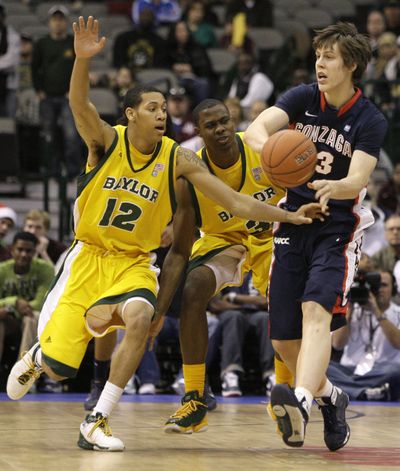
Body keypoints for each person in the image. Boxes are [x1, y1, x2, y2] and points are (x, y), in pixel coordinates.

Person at [6, 17, 321, 453]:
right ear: (131, 114)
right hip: (88, 258)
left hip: (135, 263)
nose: (162, 114)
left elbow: (237, 203)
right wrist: (80, 60)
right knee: (59, 369)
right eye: (152, 107)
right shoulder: (105, 141)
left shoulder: (179, 159)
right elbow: (78, 102)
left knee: (140, 316)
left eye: (163, 108)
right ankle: (42, 357)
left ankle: (98, 419)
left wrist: (290, 216)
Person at [244, 22, 388, 450]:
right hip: (292, 220)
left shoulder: (369, 118)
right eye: (318, 55)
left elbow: (359, 176)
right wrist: (272, 157)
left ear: (352, 65)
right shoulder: (303, 98)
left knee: (315, 312)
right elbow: (256, 131)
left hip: (337, 229)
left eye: (329, 57)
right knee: (284, 340)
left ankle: (303, 402)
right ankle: (332, 397)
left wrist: (334, 187)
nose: (320, 64)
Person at [154, 98, 294, 433]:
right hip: (223, 241)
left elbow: (296, 197)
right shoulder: (190, 174)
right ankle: (194, 399)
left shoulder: (265, 150)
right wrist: (159, 310)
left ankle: (285, 392)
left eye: (225, 122)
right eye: (211, 126)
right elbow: (181, 249)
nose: (221, 130)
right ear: (199, 132)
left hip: (271, 237)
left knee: (283, 300)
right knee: (192, 288)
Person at [328, 271, 400, 401]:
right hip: (349, 369)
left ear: (393, 289)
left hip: (381, 371)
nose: (379, 289)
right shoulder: (352, 311)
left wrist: (376, 311)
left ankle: (349, 389)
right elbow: (337, 344)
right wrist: (349, 312)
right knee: (324, 367)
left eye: (384, 285)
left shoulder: (398, 313)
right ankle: (366, 392)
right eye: (375, 286)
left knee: (396, 369)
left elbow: (398, 342)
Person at [32, 5, 83, 179]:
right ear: (49, 22)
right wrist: (38, 90)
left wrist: (74, 91)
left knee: (71, 135)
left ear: (67, 22)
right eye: (55, 19)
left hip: (68, 97)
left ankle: (73, 172)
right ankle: (51, 171)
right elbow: (34, 67)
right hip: (47, 96)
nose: (58, 23)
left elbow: (81, 68)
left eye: (61, 19)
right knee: (48, 136)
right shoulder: (41, 43)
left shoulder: (72, 42)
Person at [0, 231, 54, 365]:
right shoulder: (2, 270)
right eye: (20, 249)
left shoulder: (45, 269)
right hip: (7, 318)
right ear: (12, 250)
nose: (24, 254)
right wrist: (15, 302)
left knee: (31, 318)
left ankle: (23, 374)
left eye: (29, 251)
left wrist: (12, 309)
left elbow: (41, 303)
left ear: (34, 251)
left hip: (32, 320)